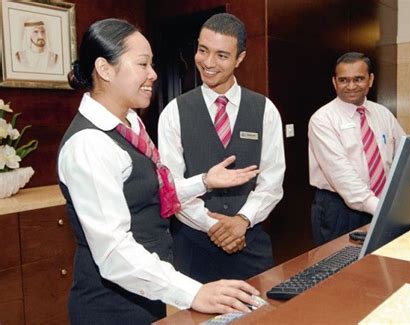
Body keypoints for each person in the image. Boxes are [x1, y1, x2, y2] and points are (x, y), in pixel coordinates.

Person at [57, 18, 263, 324]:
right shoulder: (89, 144)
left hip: (143, 295)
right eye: (143, 64)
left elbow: (148, 195)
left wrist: (204, 181)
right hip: (109, 307)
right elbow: (114, 253)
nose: (153, 74)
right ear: (104, 69)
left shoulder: (130, 122)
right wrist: (193, 292)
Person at [158, 13, 285, 283]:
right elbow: (172, 188)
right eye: (203, 50)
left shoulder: (265, 111)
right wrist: (215, 227)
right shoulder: (173, 113)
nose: (208, 63)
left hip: (250, 242)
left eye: (222, 55)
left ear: (240, 58)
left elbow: (272, 182)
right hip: (193, 248)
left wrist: (241, 221)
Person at [308, 52, 405, 246]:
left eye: (358, 79)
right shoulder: (322, 120)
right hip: (339, 210)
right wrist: (385, 210)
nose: (351, 86)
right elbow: (343, 177)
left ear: (370, 79)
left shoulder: (383, 114)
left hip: (380, 201)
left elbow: (404, 155)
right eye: (343, 80)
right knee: (338, 270)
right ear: (334, 82)